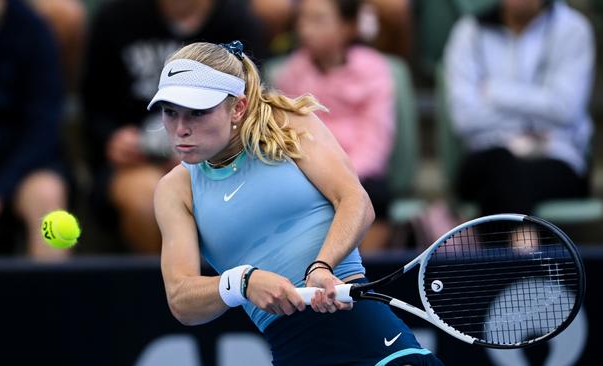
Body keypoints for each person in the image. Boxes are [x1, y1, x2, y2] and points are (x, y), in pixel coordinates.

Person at [153, 40, 443, 365]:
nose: (181, 129)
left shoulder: (285, 124)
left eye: (198, 112)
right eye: (170, 112)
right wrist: (242, 282)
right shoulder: (174, 190)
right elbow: (181, 300)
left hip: (373, 341)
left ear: (237, 107)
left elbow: (355, 201)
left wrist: (322, 267)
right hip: (293, 352)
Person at [81, 0, 268, 254]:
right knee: (147, 197)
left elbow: (252, 104)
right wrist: (111, 138)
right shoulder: (115, 17)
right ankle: (163, 287)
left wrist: (202, 158)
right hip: (135, 163)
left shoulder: (239, 21)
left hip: (220, 158)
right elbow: (93, 103)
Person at [443, 0, 594, 216]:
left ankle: (519, 246)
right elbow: (464, 117)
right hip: (486, 157)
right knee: (500, 164)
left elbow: (565, 109)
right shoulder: (468, 31)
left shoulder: (573, 28)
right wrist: (538, 109)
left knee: (504, 179)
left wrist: (495, 92)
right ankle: (526, 246)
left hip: (557, 157)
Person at [271, 0, 396, 253]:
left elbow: (376, 140)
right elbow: (285, 134)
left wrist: (341, 178)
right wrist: (317, 174)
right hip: (307, 170)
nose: (305, 29)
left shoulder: (374, 70)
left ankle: (361, 276)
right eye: (302, 20)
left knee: (376, 195)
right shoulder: (290, 72)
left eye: (318, 20)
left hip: (358, 172)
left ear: (347, 27)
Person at [0, 0, 70, 259]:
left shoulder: (32, 31)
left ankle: (53, 293)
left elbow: (43, 129)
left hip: (16, 168)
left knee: (48, 197)